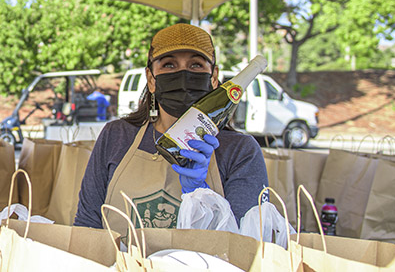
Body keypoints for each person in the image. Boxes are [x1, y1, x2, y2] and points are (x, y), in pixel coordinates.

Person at [73, 23, 267, 235]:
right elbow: (87, 225)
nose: (183, 75)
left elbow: (246, 244)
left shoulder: (241, 151)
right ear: (151, 79)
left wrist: (201, 195)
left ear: (213, 77)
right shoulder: (116, 136)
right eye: (169, 65)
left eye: (195, 65)